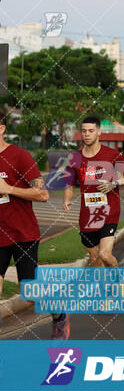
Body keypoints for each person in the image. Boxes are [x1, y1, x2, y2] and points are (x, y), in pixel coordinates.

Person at [0, 111, 68, 339]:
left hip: (22, 233)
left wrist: (9, 189)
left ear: (1, 129)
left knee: (29, 293)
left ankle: (58, 312)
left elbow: (43, 194)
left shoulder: (19, 156)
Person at [63, 116, 124, 268]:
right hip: (87, 214)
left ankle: (118, 281)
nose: (87, 134)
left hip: (109, 212)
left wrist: (115, 183)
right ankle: (102, 289)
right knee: (95, 257)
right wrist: (67, 199)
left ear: (99, 132)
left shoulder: (111, 155)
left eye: (91, 131)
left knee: (105, 255)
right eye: (84, 131)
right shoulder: (75, 158)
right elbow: (69, 184)